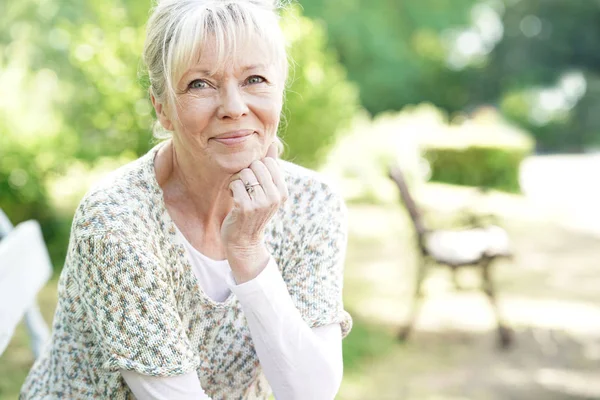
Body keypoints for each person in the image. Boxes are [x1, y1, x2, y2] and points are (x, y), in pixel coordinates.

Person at [20, 0, 352, 398]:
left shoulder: (313, 204)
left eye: (255, 79)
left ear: (280, 90)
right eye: (200, 84)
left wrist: (247, 251)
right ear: (162, 109)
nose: (233, 107)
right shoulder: (115, 223)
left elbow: (309, 393)